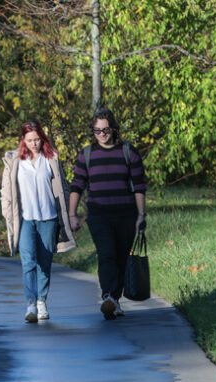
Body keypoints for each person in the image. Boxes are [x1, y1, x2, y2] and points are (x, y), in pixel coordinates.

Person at [68, 107, 147, 320]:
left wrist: (141, 216)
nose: (102, 134)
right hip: (99, 214)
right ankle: (108, 297)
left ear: (114, 128)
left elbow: (139, 187)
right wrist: (71, 215)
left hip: (126, 214)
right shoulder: (86, 155)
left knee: (122, 257)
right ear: (92, 132)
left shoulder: (129, 152)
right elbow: (77, 186)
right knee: (106, 254)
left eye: (106, 129)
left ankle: (115, 300)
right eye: (97, 131)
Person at [1, 120, 77, 323]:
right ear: (23, 141)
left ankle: (42, 301)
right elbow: (5, 193)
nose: (34, 144)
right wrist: (8, 214)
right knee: (28, 262)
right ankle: (31, 304)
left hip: (48, 218)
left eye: (37, 139)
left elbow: (63, 188)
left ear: (42, 138)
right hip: (25, 219)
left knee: (45, 262)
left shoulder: (50, 158)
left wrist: (69, 213)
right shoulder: (15, 161)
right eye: (30, 140)